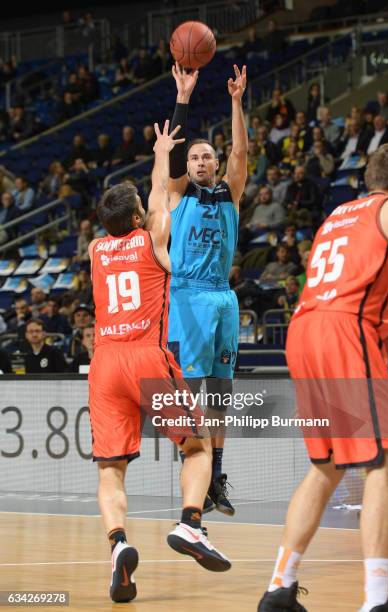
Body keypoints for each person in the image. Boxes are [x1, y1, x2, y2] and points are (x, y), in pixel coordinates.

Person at [88, 121, 231, 604]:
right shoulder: (152, 240)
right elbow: (160, 192)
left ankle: (118, 545)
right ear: (136, 219)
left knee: (110, 468)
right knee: (197, 448)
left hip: (104, 362)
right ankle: (191, 524)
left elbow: (147, 198)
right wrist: (161, 152)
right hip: (147, 355)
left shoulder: (94, 251)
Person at [257, 143, 388, 611]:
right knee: (382, 464)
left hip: (304, 330)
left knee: (326, 466)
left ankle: (279, 588)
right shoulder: (387, 209)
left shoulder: (337, 216)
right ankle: (379, 597)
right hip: (342, 328)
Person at [167, 62, 247, 516]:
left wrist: (236, 101)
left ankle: (215, 474)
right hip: (188, 296)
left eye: (205, 157)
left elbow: (241, 154)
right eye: (195, 157)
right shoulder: (180, 193)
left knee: (220, 393)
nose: (199, 161)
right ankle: (192, 473)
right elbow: (175, 152)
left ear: (214, 164)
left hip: (222, 296)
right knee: (189, 390)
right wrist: (184, 97)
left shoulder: (229, 193)